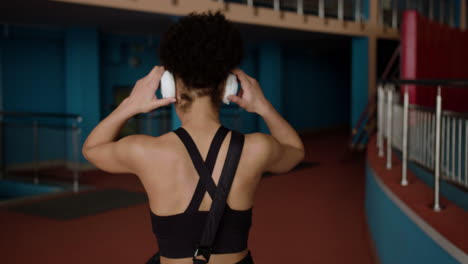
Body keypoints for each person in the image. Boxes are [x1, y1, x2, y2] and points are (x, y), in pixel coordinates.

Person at [82, 11, 304, 264]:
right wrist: (263, 106)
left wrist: (131, 105)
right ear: (227, 87)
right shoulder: (256, 148)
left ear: (169, 86)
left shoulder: (145, 151)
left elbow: (92, 148)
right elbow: (295, 151)